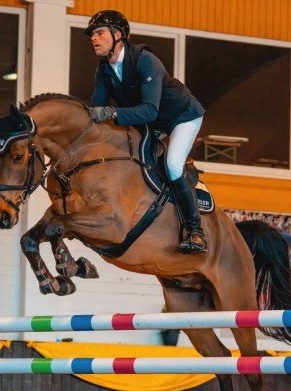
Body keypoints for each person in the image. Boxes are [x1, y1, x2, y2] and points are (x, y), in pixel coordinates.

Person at [84, 10, 207, 254]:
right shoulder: (104, 70)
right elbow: (95, 111)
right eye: (92, 35)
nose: (94, 39)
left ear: (118, 35)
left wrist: (112, 114)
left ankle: (196, 232)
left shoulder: (144, 59)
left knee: (172, 164)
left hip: (183, 116)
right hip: (153, 123)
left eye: (99, 33)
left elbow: (150, 111)